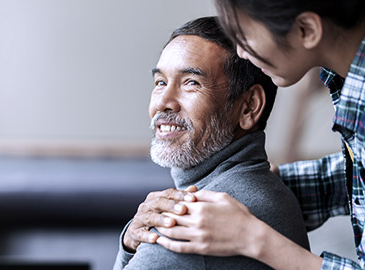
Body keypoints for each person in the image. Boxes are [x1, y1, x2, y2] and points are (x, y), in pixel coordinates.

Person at [125, 1, 365, 269]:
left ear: (306, 29)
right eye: (160, 82)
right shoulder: (346, 81)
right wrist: (262, 189)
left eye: (246, 35)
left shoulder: (178, 237)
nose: (242, 51)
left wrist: (255, 237)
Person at [113, 16, 309, 270]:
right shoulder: (266, 190)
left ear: (249, 107)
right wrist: (130, 245)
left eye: (191, 83)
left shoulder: (194, 224)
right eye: (160, 82)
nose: (163, 102)